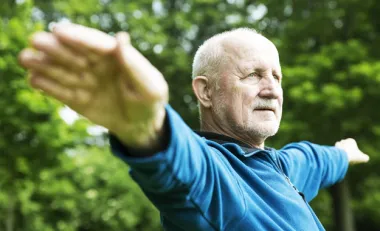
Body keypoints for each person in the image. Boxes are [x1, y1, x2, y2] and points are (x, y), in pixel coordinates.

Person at [19, 23, 369, 231]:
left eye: (277, 77)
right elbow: (183, 169)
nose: (272, 89)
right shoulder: (216, 177)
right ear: (205, 90)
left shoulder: (284, 168)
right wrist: (149, 130)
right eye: (254, 75)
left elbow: (314, 159)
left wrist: (344, 154)